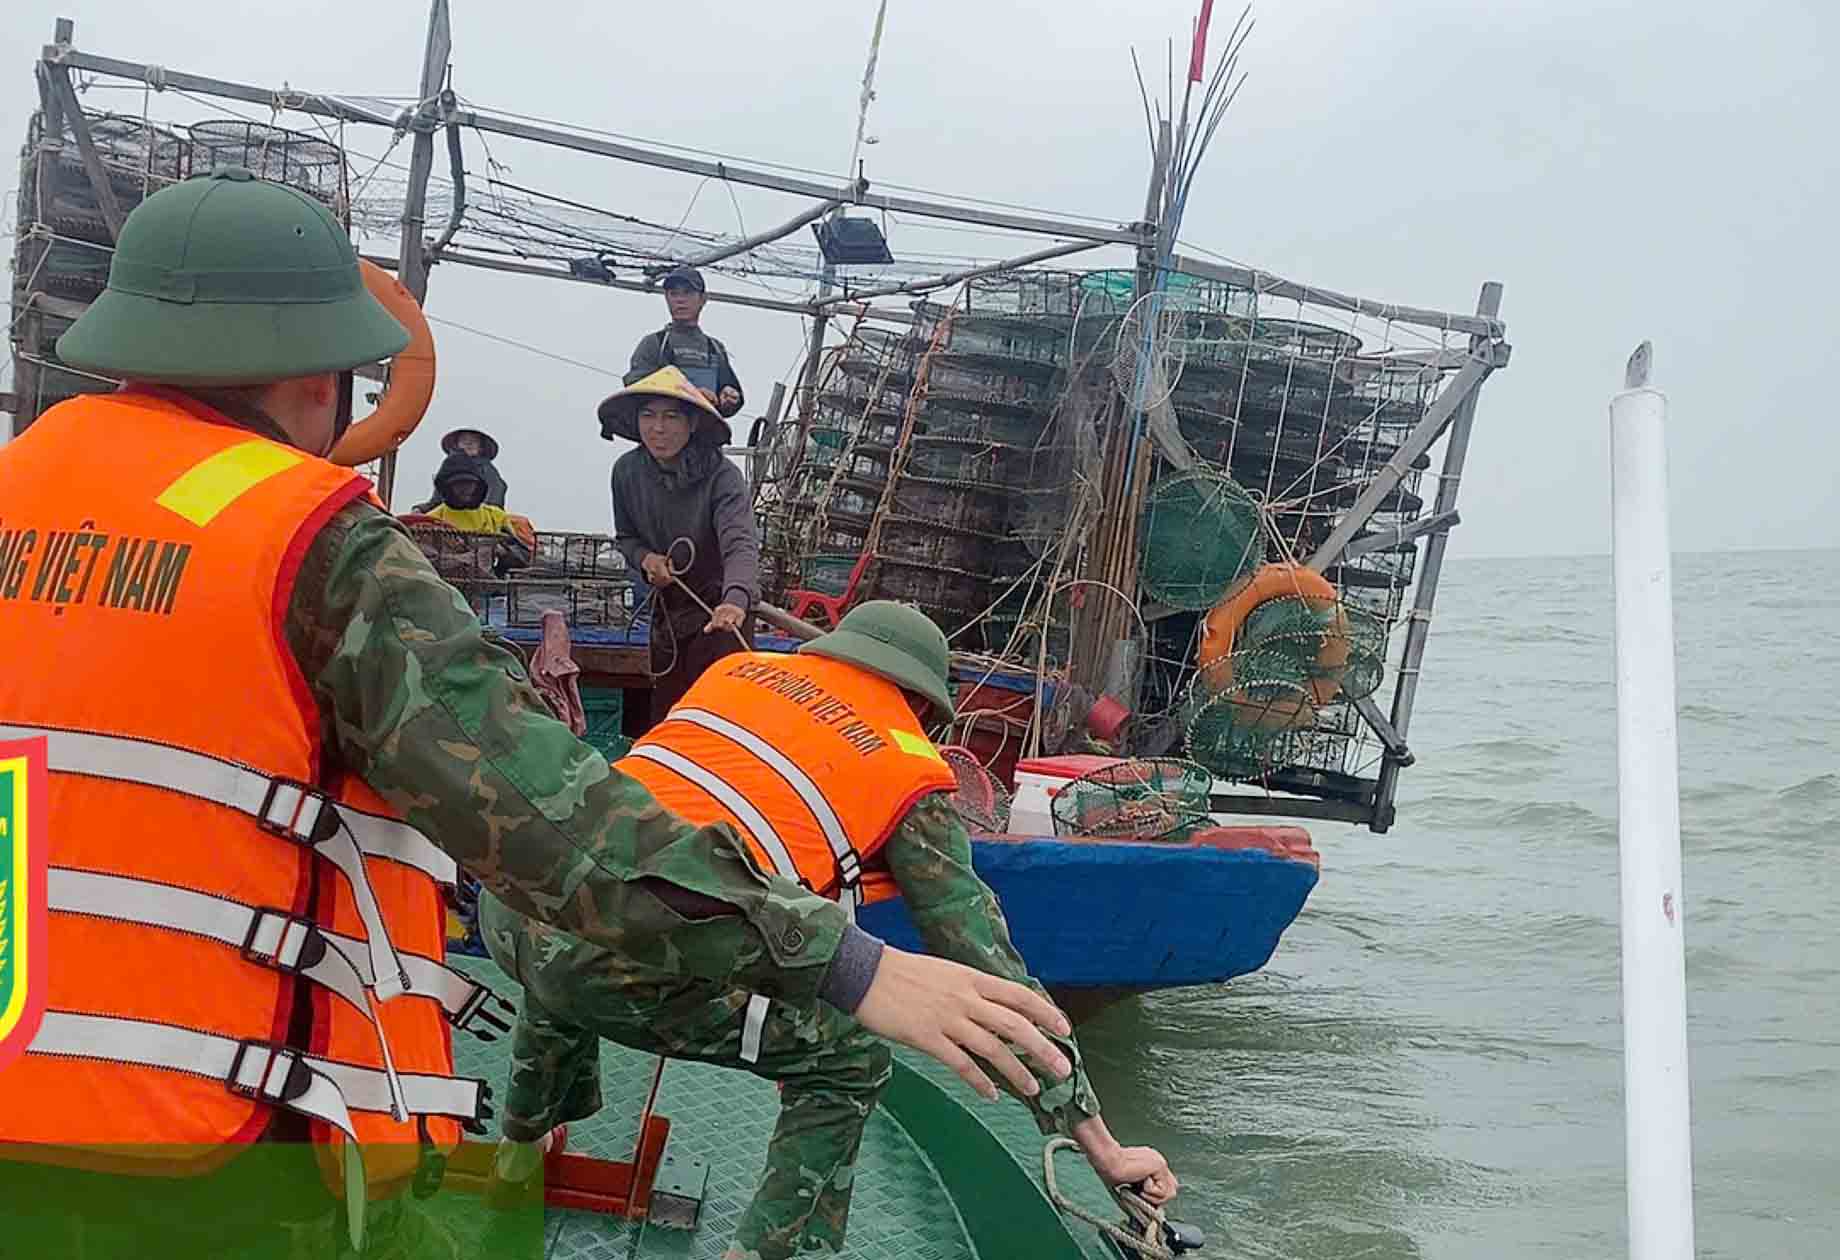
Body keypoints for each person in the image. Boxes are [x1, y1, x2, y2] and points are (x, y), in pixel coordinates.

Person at [0, 167, 1074, 1257]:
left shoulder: (19, 484)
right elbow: (555, 828)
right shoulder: (303, 543)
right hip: (213, 1147)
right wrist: (853, 967)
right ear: (315, 373)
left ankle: (522, 1133)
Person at [480, 600, 1178, 1260]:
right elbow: (993, 970)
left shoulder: (735, 675)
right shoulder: (907, 768)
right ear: (923, 707)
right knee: (851, 1060)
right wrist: (1103, 1148)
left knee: (579, 913)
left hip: (510, 911)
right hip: (617, 971)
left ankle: (519, 1153)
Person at [602, 366, 760, 724]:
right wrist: (647, 559)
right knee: (668, 718)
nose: (658, 428)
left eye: (671, 416)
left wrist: (735, 601)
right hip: (669, 616)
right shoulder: (626, 471)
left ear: (692, 424)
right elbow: (626, 538)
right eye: (648, 415)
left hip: (720, 612)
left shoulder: (723, 476)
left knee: (720, 720)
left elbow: (740, 543)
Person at [624, 264, 744, 419]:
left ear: (703, 299)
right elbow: (636, 389)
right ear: (666, 298)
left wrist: (729, 398)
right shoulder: (655, 343)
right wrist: (691, 394)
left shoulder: (714, 348)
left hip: (704, 435)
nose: (680, 300)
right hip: (664, 436)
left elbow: (731, 393)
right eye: (674, 294)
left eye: (687, 293)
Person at [418, 449, 534, 573]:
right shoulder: (431, 520)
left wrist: (503, 552)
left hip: (488, 587)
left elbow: (524, 557)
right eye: (458, 484)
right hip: (443, 585)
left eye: (469, 483)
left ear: (478, 485)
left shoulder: (497, 516)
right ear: (446, 487)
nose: (465, 489)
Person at [411, 426, 508, 512]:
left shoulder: (487, 469)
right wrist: (420, 509)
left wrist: (484, 514)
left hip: (481, 518)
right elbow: (436, 501)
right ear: (457, 445)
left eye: (473, 441)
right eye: (464, 440)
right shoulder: (448, 468)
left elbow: (496, 493)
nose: (469, 443)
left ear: (481, 447)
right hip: (450, 518)